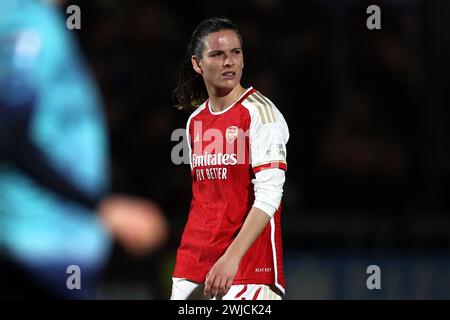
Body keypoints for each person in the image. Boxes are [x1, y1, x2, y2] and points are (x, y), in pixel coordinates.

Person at [0, 0, 167, 299]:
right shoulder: (25, 21)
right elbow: (7, 133)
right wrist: (101, 206)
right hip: (39, 247)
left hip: (52, 244)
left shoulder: (41, 20)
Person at [171, 17, 289, 300]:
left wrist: (231, 259)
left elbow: (270, 196)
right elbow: (205, 198)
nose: (229, 62)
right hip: (192, 265)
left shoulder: (261, 114)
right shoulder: (194, 122)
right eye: (217, 54)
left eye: (236, 52)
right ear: (198, 64)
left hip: (247, 268)